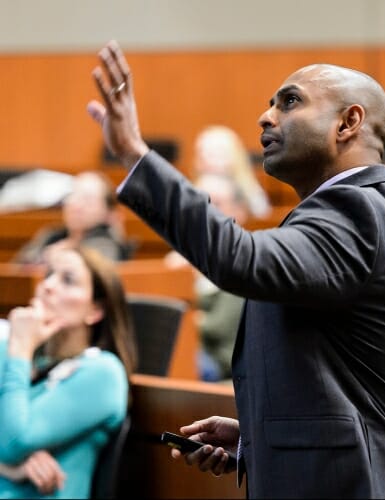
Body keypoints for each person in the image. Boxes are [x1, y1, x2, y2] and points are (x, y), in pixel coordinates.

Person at [87, 40, 385, 499]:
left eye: (290, 102)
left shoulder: (358, 211)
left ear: (348, 123)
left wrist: (136, 154)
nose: (266, 116)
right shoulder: (348, 212)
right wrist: (260, 440)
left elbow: (238, 259)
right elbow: (343, 388)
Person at [0, 245, 137, 498]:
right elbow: (11, 448)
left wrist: (19, 349)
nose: (48, 286)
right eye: (48, 274)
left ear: (95, 310)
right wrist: (10, 466)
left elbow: (13, 441)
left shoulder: (103, 372)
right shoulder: (10, 350)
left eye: (68, 280)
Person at [164, 174, 248, 382]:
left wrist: (189, 317)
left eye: (217, 203)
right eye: (200, 202)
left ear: (238, 212)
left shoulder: (242, 257)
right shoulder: (180, 259)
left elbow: (217, 326)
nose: (206, 211)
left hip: (221, 359)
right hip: (189, 349)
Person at [12, 170, 132, 266]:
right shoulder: (50, 236)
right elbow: (17, 271)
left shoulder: (106, 246)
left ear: (108, 213)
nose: (76, 205)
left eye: (87, 199)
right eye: (73, 195)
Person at [192, 125, 271, 218]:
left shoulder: (246, 184)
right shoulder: (195, 188)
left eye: (215, 154)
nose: (207, 159)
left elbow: (262, 212)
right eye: (202, 153)